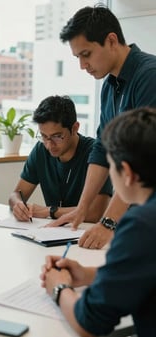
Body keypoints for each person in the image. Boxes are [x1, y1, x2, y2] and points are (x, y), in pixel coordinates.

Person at [40, 107, 156, 337]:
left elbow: (89, 323)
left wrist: (58, 287)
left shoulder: (141, 225)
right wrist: (89, 274)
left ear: (127, 173)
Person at [50, 4, 156, 249]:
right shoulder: (110, 85)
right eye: (78, 58)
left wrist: (108, 222)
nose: (82, 66)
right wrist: (82, 208)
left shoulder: (149, 76)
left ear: (111, 40)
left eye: (86, 54)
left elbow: (142, 161)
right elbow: (101, 149)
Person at [9, 95, 111, 222]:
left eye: (57, 136)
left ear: (74, 128)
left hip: (87, 232)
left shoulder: (96, 153)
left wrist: (49, 211)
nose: (49, 144)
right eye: (44, 136)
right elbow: (16, 194)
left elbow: (95, 212)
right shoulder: (41, 150)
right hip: (53, 233)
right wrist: (18, 205)